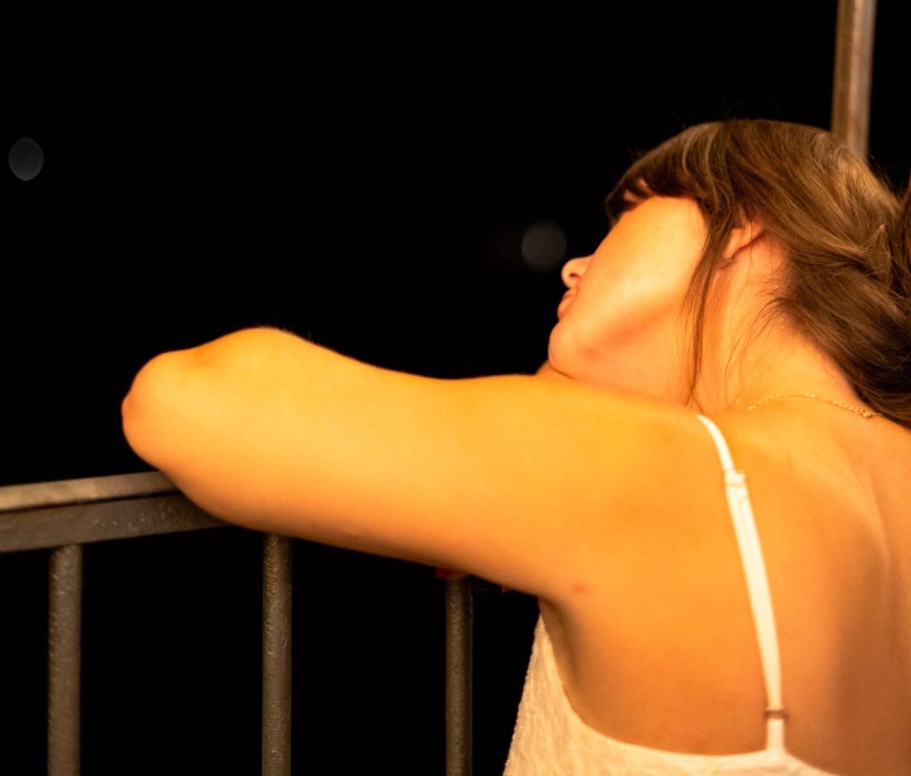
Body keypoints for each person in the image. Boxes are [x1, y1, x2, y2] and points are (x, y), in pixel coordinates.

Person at [121, 119, 911, 775]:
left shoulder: (653, 474)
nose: (575, 263)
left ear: (740, 225)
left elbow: (186, 398)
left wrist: (550, 407)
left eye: (625, 217)